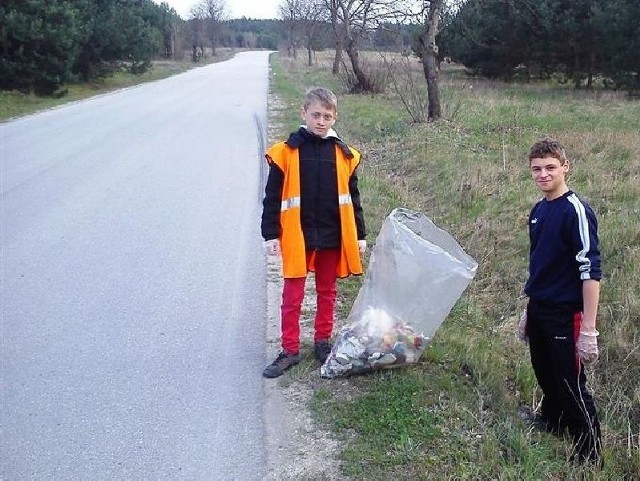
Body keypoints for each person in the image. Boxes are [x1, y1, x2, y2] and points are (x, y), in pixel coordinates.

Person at [261, 86, 367, 379]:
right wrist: (271, 234)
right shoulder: (286, 152)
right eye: (316, 115)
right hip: (299, 235)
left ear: (335, 118)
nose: (321, 121)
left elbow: (353, 199)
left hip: (332, 234)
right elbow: (272, 198)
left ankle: (322, 342)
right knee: (292, 296)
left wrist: (359, 235)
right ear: (303, 113)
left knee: (327, 291)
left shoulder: (345, 155)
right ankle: (290, 350)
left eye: (327, 116)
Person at [518, 137, 602, 464]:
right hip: (539, 308)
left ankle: (589, 453)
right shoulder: (539, 209)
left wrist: (589, 331)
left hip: (566, 314)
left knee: (570, 384)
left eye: (550, 167)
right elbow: (540, 263)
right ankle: (553, 422)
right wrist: (529, 310)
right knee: (544, 371)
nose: (543, 174)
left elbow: (590, 270)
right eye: (536, 169)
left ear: (565, 167)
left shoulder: (576, 211)